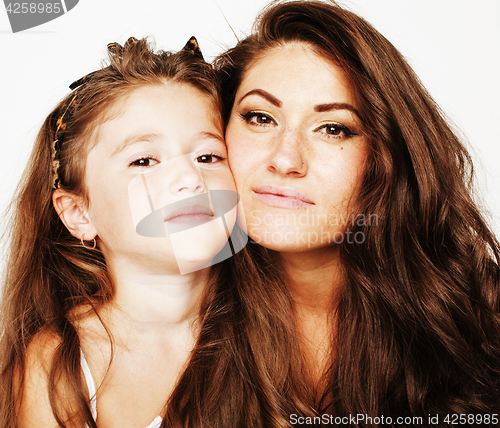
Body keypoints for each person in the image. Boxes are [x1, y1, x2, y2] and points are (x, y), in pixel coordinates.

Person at [215, 0, 500, 423]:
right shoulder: (178, 310)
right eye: (260, 117)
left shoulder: (476, 315)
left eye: (333, 129)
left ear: (387, 157)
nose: (285, 160)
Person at [0, 36, 253, 428]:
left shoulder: (275, 329)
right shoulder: (60, 363)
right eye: (144, 161)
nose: (188, 177)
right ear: (79, 213)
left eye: (208, 156)